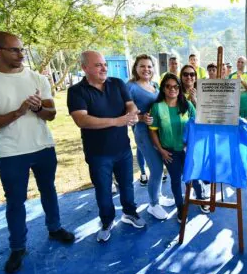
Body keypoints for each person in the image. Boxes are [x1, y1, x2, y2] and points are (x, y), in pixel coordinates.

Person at [0, 32, 75, 274]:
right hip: (11, 152)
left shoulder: (37, 78)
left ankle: (55, 227)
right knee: (16, 201)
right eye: (14, 50)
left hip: (43, 147)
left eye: (21, 49)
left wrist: (38, 108)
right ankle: (18, 247)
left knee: (49, 190)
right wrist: (18, 111)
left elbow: (51, 114)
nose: (21, 54)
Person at [67, 50, 146, 243]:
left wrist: (132, 113)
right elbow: (82, 120)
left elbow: (131, 105)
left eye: (104, 64)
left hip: (123, 149)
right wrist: (117, 121)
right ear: (85, 68)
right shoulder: (76, 91)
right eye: (98, 65)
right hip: (98, 153)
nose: (104, 68)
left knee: (127, 186)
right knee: (103, 190)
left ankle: (129, 213)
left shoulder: (117, 83)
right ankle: (107, 221)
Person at [149, 74, 210, 222]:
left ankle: (200, 198)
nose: (172, 89)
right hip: (169, 152)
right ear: (163, 88)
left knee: (193, 176)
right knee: (176, 180)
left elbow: (197, 124)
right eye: (168, 86)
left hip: (188, 150)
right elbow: (153, 130)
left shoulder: (187, 105)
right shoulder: (157, 107)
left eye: (175, 86)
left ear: (179, 88)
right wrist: (161, 150)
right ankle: (180, 207)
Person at [127, 54, 175, 220]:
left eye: (149, 66)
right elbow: (124, 112)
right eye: (142, 66)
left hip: (157, 132)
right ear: (136, 68)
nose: (146, 69)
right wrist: (140, 118)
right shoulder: (131, 87)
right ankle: (153, 205)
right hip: (143, 133)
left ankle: (159, 196)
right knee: (155, 168)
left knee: (159, 167)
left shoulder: (154, 85)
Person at [228, 56, 247, 120]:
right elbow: (228, 91)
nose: (240, 63)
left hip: (245, 103)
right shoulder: (231, 75)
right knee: (234, 123)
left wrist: (241, 81)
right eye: (238, 62)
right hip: (234, 104)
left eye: (242, 62)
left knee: (246, 123)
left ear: (245, 64)